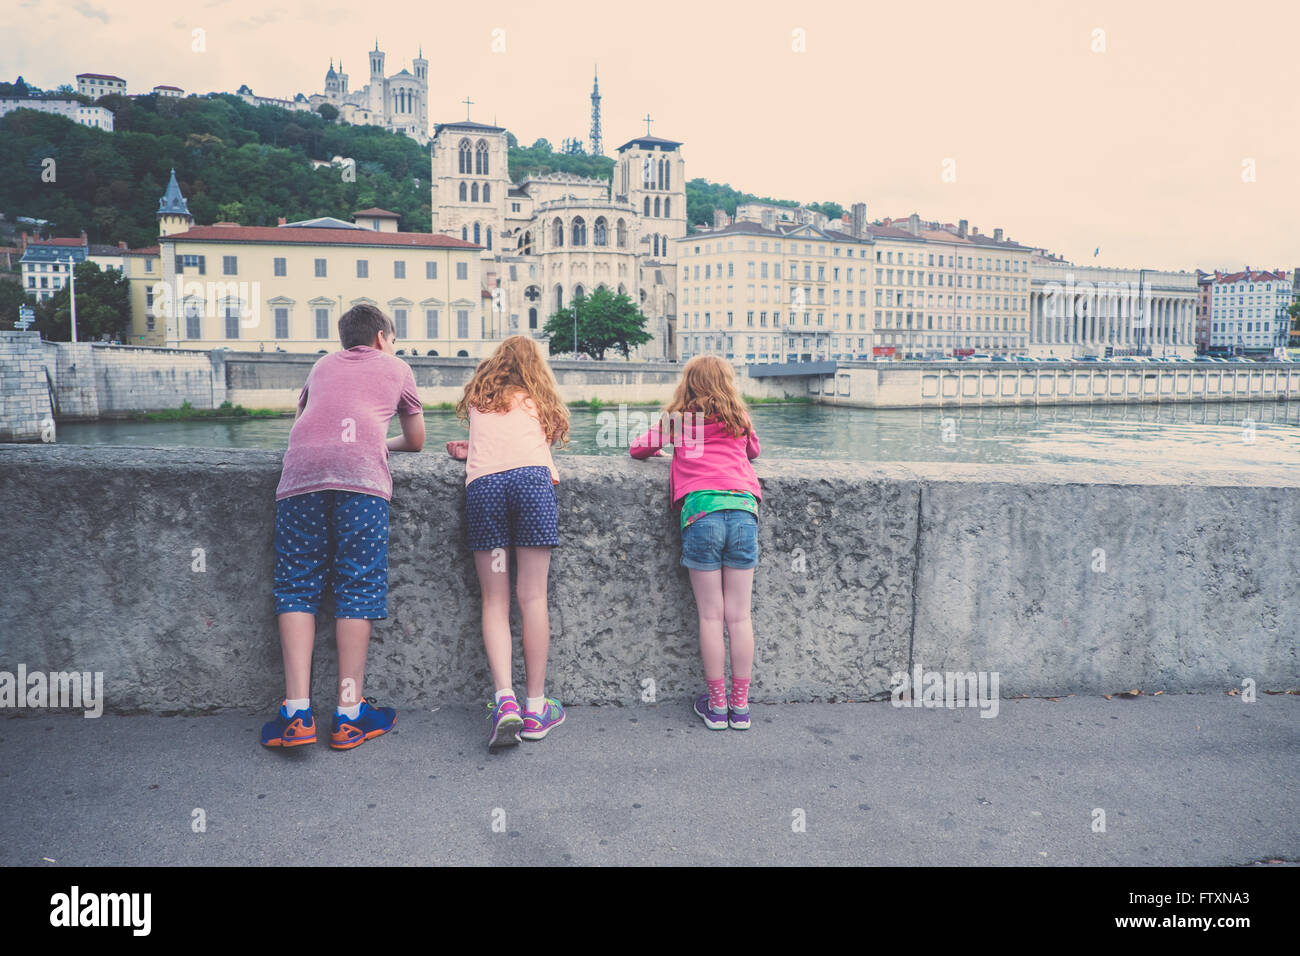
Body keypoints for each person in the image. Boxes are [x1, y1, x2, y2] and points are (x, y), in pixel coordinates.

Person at [261, 304, 425, 750]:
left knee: (296, 585)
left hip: (300, 477)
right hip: (361, 482)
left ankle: (296, 714)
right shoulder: (396, 367)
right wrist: (374, 442)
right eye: (392, 340)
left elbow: (303, 424)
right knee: (358, 586)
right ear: (379, 338)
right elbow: (416, 440)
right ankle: (349, 716)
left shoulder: (320, 365)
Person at [447, 336, 569, 750]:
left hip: (485, 490)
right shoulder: (538, 399)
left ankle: (504, 702)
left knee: (494, 600)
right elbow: (535, 444)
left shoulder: (481, 400)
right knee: (532, 597)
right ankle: (536, 709)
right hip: (531, 486)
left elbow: (495, 447)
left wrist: (471, 451)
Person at [629, 355, 761, 731]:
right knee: (739, 616)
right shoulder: (739, 419)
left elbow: (638, 449)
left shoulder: (678, 420)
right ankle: (741, 706)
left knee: (710, 616)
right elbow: (754, 452)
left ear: (688, 384)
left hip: (701, 512)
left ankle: (716, 706)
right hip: (742, 511)